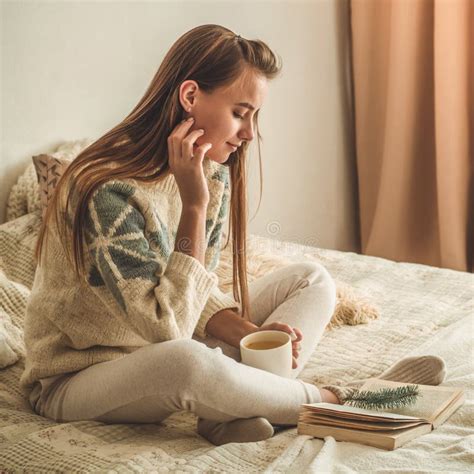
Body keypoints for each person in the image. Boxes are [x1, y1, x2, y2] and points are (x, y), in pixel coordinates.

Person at [20, 24, 446, 446]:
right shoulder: (105, 190)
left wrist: (247, 334)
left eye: (254, 116)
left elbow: (192, 290)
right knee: (186, 361)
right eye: (240, 113)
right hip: (78, 378)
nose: (248, 133)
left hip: (163, 343)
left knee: (309, 279)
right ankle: (340, 401)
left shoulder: (210, 173)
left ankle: (233, 410)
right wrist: (193, 206)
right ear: (190, 97)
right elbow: (165, 328)